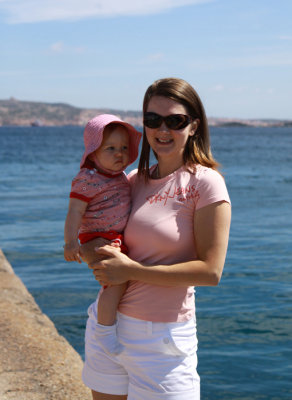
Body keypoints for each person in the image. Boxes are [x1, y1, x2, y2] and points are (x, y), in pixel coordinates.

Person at [81, 78, 231, 400]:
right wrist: (90, 249)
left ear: (194, 126)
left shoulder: (206, 184)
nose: (162, 129)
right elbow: (93, 236)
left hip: (162, 341)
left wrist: (129, 271)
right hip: (108, 325)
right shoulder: (132, 180)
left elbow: (211, 272)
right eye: (152, 120)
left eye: (174, 120)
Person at [64, 114, 141, 355]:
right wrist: (70, 242)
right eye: (110, 148)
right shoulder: (87, 179)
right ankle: (105, 332)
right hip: (96, 239)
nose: (120, 153)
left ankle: (110, 325)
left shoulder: (121, 177)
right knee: (116, 284)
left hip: (113, 239)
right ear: (93, 152)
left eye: (124, 148)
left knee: (119, 282)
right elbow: (75, 212)